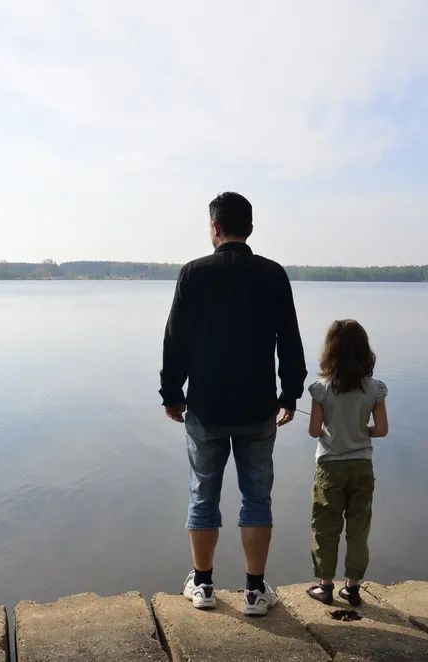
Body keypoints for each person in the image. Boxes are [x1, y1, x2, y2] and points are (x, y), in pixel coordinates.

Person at [160, 192, 306, 616]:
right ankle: (255, 592)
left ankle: (203, 586)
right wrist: (290, 393)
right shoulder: (273, 275)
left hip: (205, 407)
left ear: (214, 228)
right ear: (250, 229)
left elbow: (175, 340)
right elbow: (289, 339)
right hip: (258, 407)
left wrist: (172, 393)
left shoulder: (193, 274)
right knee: (257, 497)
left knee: (202, 495)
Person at [304, 319, 388, 607]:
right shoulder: (375, 389)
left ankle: (325, 586)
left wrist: (331, 428)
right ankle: (352, 589)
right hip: (362, 467)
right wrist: (361, 431)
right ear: (365, 351)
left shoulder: (320, 389)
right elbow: (382, 430)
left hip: (330, 468)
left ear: (330, 352)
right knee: (358, 528)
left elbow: (315, 432)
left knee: (325, 527)